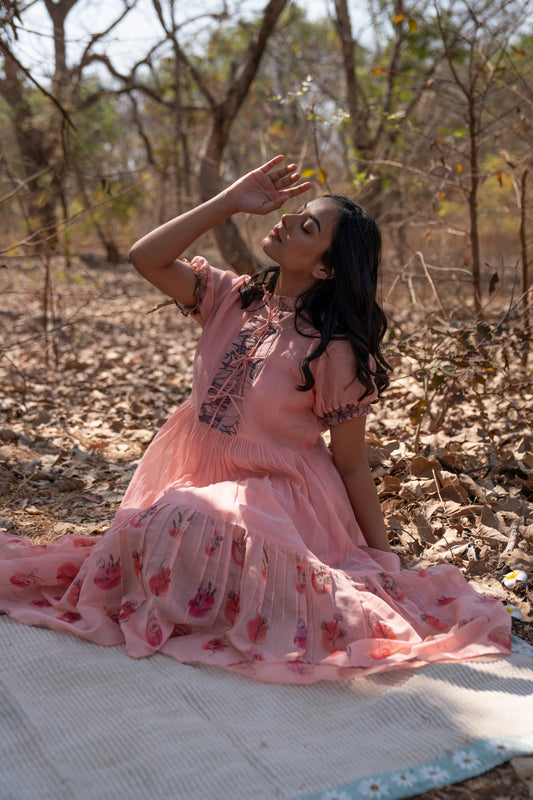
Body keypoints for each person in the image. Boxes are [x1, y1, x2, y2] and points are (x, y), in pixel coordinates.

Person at [0, 156, 511, 683]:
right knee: (157, 528)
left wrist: (383, 559)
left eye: (307, 226)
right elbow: (145, 257)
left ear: (326, 269)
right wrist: (228, 201)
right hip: (200, 474)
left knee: (185, 516)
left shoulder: (332, 350)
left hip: (279, 495)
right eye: (297, 213)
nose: (288, 220)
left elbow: (353, 465)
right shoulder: (230, 296)